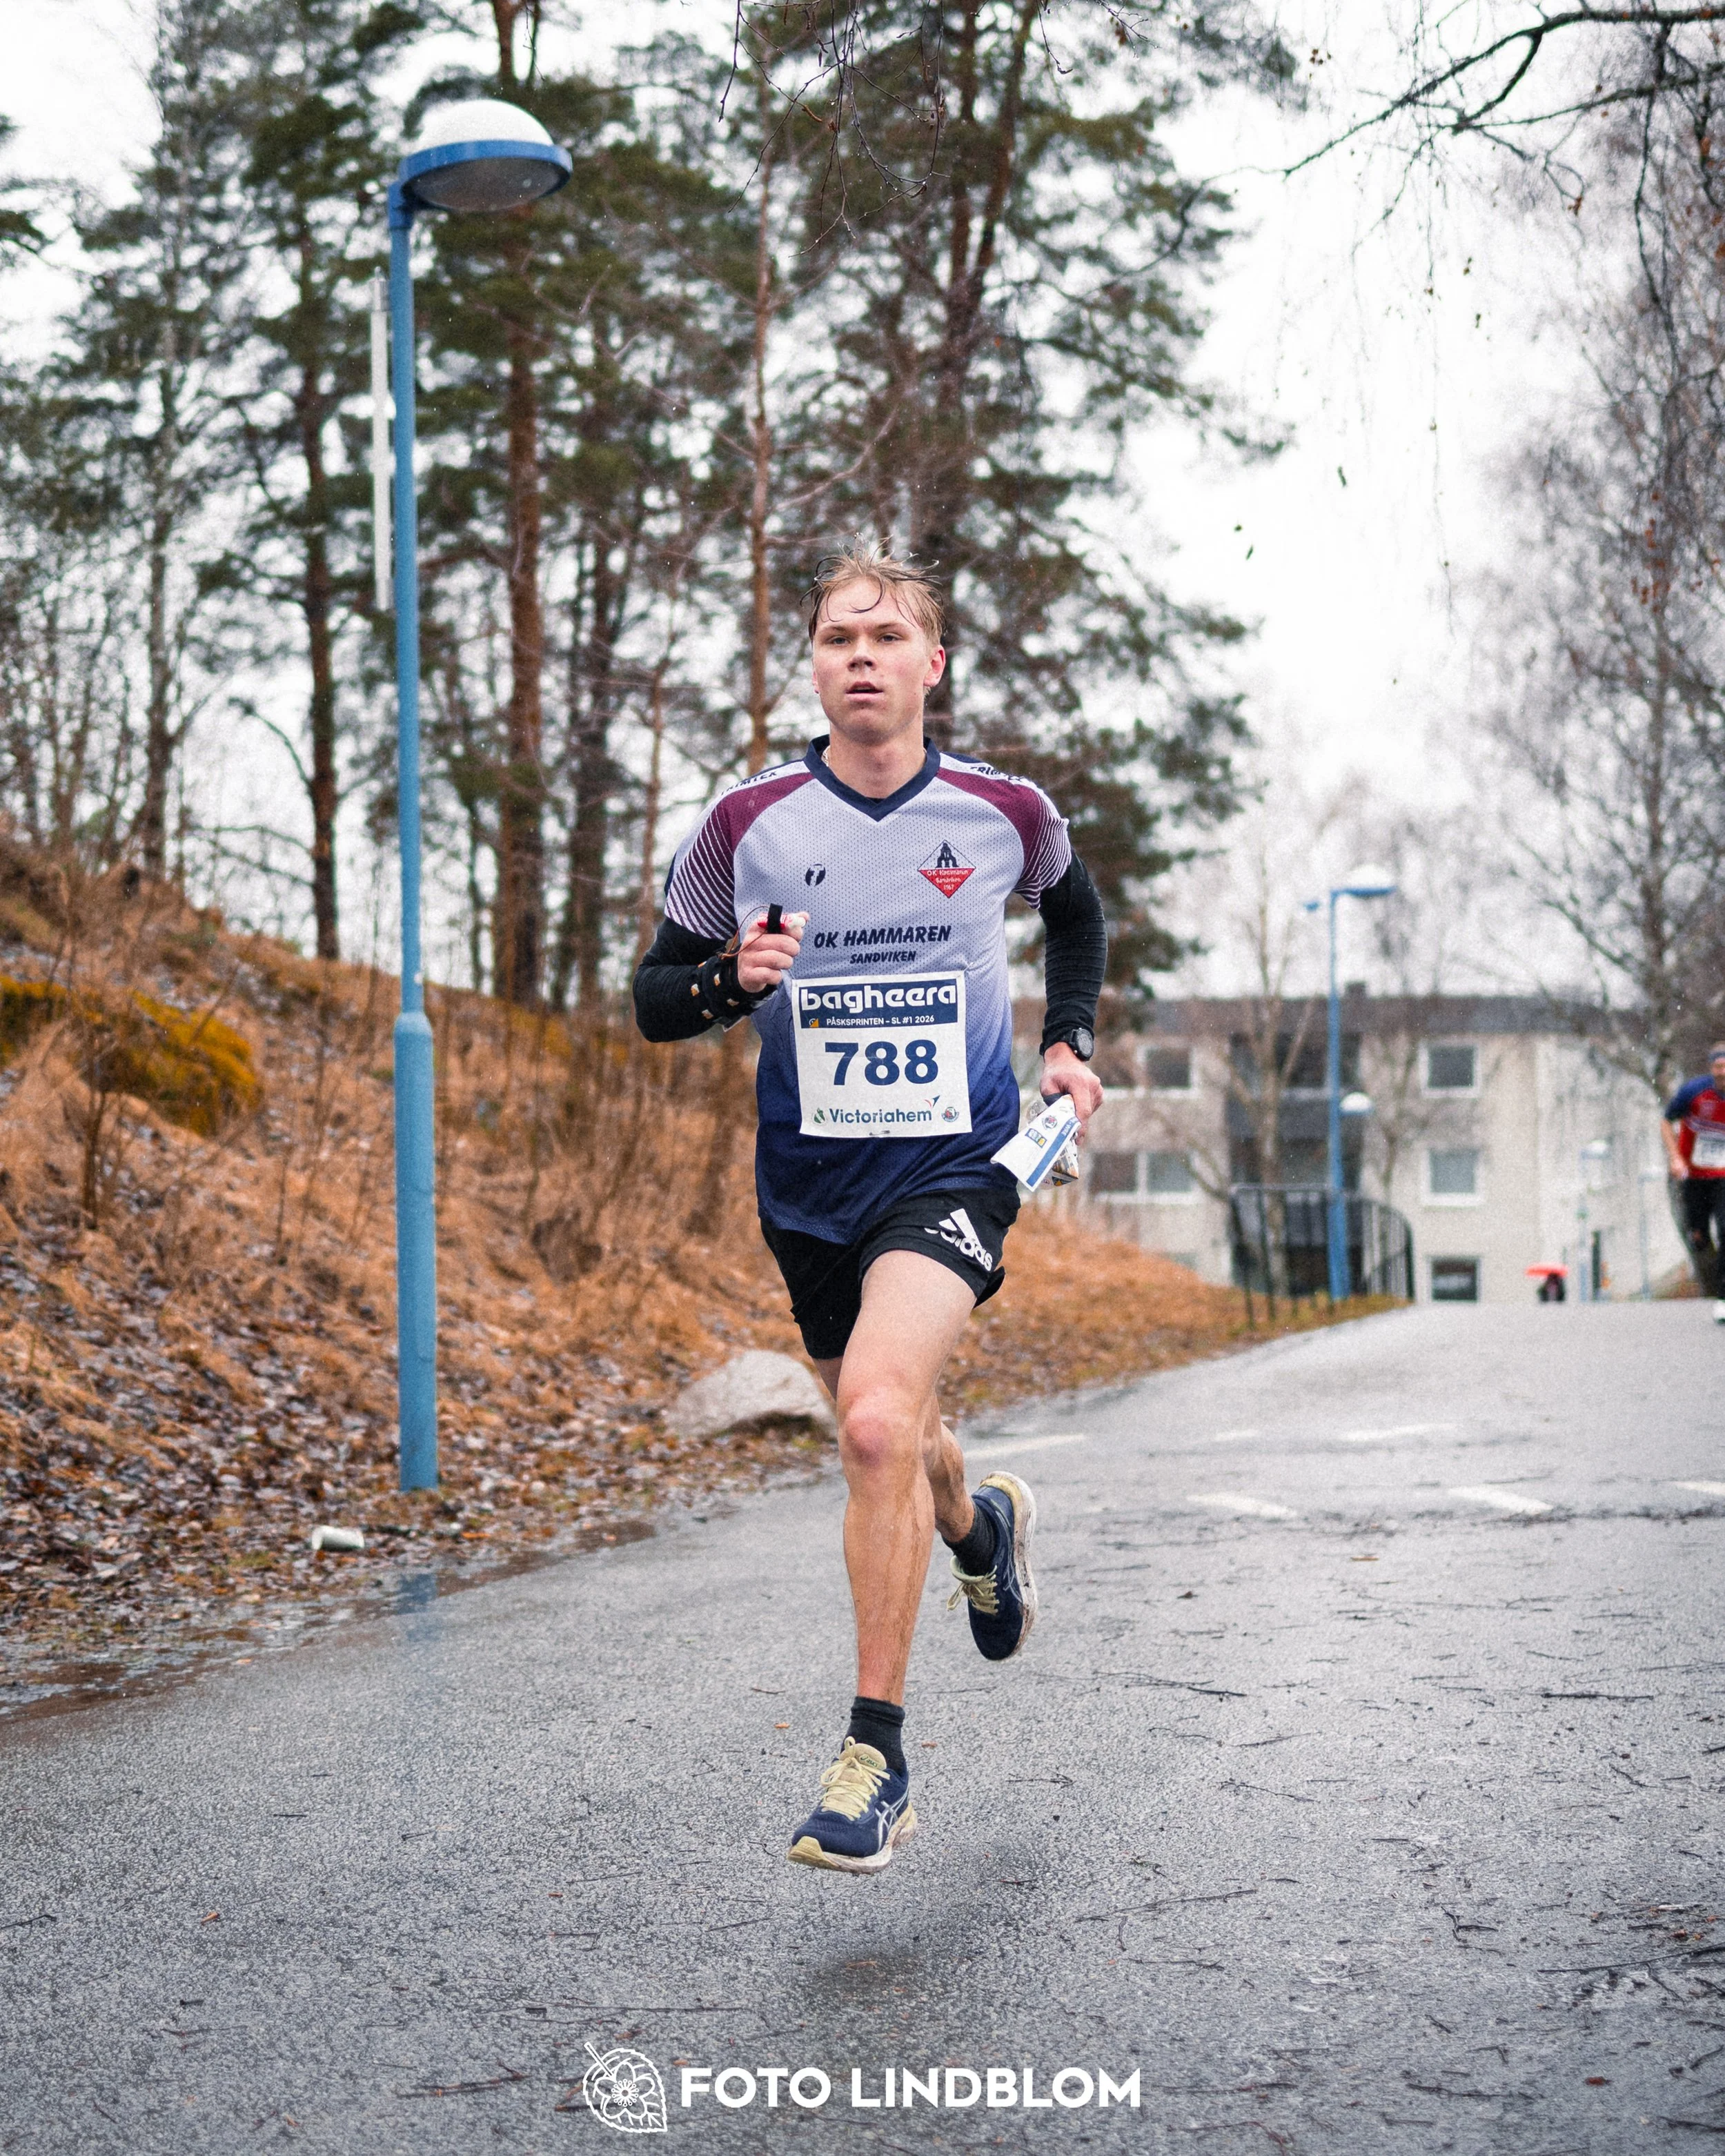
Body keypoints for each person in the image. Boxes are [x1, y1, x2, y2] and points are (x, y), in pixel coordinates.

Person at [633, 542, 1106, 1872]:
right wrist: (734, 979)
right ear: (816, 666)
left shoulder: (1003, 811)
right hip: (811, 1186)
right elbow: (654, 1000)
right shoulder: (750, 822)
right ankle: (981, 1526)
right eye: (840, 637)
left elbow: (1077, 915)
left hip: (957, 1164)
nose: (862, 657)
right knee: (896, 1438)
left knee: (878, 1422)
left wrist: (1066, 1040)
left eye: (887, 638)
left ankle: (874, 1756)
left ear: (931, 665)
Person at [1662, 1044, 1725, 1321]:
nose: (1722, 1072)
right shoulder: (1694, 1093)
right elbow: (1666, 1121)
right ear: (1711, 1069)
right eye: (1718, 1067)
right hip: (1695, 1177)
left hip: (1723, 1177)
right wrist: (1675, 1157)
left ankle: (1723, 1297)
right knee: (1699, 1237)